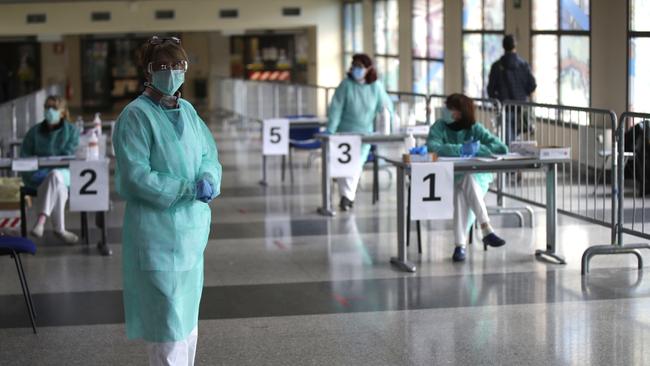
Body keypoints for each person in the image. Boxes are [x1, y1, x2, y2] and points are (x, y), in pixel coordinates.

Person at [113, 36, 222, 366]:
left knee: (187, 323)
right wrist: (188, 188)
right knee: (167, 328)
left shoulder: (187, 110)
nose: (171, 71)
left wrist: (209, 178)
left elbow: (207, 154)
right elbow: (136, 175)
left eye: (177, 65)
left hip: (190, 235)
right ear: (148, 71)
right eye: (163, 66)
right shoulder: (135, 117)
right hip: (157, 235)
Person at [426, 94, 508, 262]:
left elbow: (501, 148)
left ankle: (460, 246)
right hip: (449, 177)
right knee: (461, 187)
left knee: (465, 183)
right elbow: (433, 146)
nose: (446, 111)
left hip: (477, 177)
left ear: (461, 112)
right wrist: (461, 149)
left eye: (451, 109)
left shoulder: (475, 128)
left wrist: (478, 150)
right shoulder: (439, 126)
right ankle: (486, 229)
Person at [327, 53, 394, 211]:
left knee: (355, 165)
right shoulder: (345, 85)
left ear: (368, 69)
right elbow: (336, 108)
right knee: (343, 165)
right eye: (354, 66)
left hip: (365, 134)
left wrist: (387, 124)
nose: (356, 69)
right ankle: (346, 196)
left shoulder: (375, 87)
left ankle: (347, 197)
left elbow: (386, 107)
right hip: (344, 133)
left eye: (360, 67)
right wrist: (330, 129)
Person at [21, 95, 79, 243]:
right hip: (38, 177)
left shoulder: (71, 131)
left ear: (62, 112)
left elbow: (68, 156)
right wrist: (34, 174)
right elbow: (24, 157)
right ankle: (60, 229)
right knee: (57, 184)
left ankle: (41, 220)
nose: (49, 111)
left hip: (66, 173)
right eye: (47, 107)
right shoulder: (34, 132)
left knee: (55, 175)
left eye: (53, 108)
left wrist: (47, 171)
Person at [487, 34, 537, 144]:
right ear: (515, 46)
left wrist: (497, 104)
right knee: (517, 143)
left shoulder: (497, 66)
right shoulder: (523, 65)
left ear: (503, 46)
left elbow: (490, 89)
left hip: (504, 108)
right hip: (521, 109)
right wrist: (524, 95)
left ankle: (507, 160)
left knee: (507, 141)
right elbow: (532, 85)